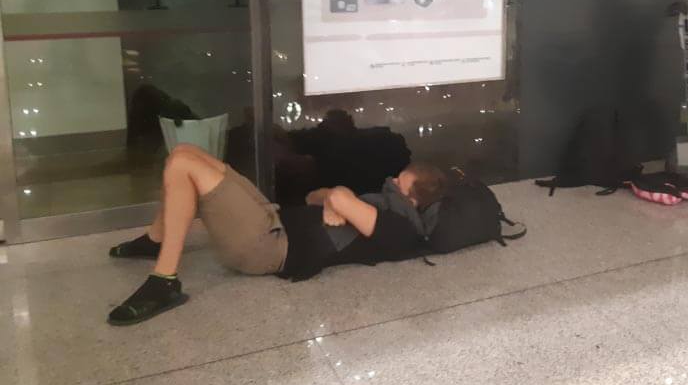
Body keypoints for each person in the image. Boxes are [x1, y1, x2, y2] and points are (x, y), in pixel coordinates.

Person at [106, 144, 447, 326]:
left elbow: (340, 196)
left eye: (397, 181)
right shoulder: (382, 207)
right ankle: (156, 238)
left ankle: (164, 280)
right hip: (273, 219)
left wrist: (338, 199)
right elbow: (315, 195)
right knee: (184, 152)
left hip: (269, 246)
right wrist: (332, 200)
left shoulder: (400, 228)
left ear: (412, 198)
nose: (389, 180)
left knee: (183, 167)